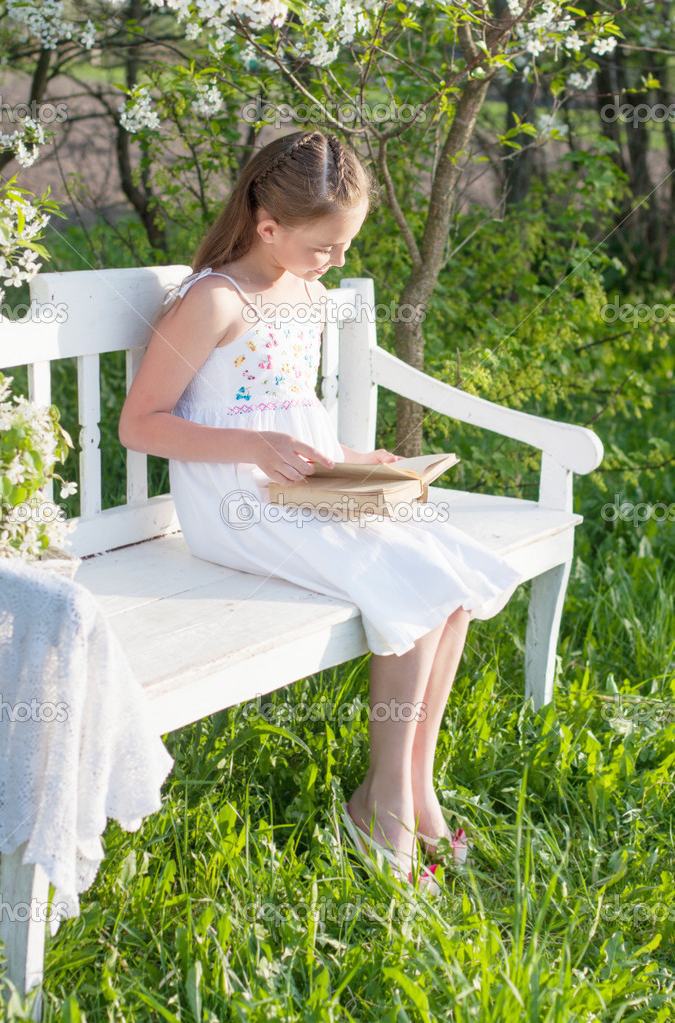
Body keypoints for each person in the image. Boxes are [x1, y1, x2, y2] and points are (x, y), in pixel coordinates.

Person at [119, 129, 523, 892]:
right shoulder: (214, 300)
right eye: (323, 248)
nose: (336, 263)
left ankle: (410, 785)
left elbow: (288, 406)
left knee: (454, 585)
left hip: (307, 491)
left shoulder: (304, 292)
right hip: (237, 503)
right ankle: (386, 809)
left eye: (346, 247)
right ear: (266, 226)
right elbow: (140, 424)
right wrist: (260, 443)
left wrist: (348, 457)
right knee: (415, 590)